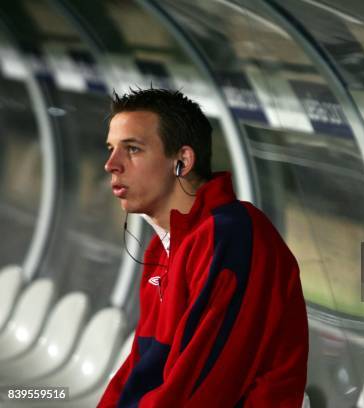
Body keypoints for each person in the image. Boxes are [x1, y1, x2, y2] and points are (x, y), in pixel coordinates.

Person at [98, 88, 308, 407]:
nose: (111, 164)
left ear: (182, 161)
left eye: (133, 149)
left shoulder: (232, 235)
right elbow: (141, 369)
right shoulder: (161, 250)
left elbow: (203, 386)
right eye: (111, 149)